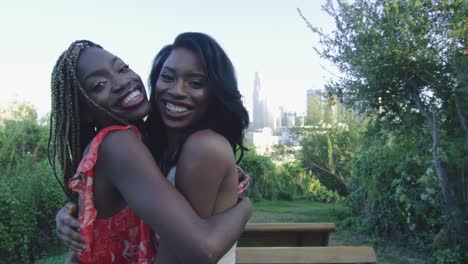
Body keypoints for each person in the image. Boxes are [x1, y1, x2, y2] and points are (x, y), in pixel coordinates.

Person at [49, 39, 251, 263]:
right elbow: (202, 250)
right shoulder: (118, 143)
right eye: (99, 85)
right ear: (83, 110)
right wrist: (245, 208)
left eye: (123, 68)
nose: (121, 82)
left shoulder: (150, 146)